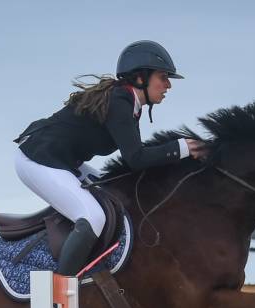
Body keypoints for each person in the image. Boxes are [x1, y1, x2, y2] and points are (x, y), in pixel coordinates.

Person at [13, 40, 206, 274]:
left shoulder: (129, 103)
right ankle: (60, 296)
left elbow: (136, 158)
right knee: (93, 218)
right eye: (163, 77)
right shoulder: (120, 101)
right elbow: (136, 159)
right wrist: (182, 147)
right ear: (140, 78)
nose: (168, 85)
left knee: (117, 196)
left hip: (60, 160)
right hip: (35, 159)